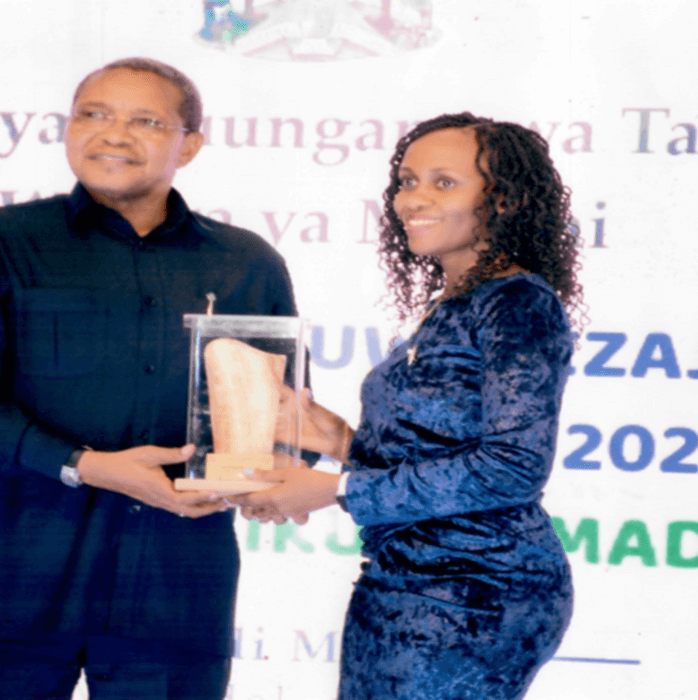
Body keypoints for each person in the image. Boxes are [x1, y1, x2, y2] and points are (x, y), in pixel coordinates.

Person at [0, 57, 299, 698]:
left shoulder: (245, 264)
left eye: (145, 120)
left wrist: (268, 474)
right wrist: (83, 463)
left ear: (189, 145)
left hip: (173, 591)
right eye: (94, 114)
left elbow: (272, 412)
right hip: (7, 583)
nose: (113, 134)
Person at [231, 112, 583, 699]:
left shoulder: (517, 302)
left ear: (506, 200)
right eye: (407, 180)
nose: (411, 198)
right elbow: (431, 450)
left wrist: (334, 490)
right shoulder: (455, 301)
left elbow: (513, 466)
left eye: (444, 182)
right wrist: (337, 440)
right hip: (403, 580)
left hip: (476, 593)